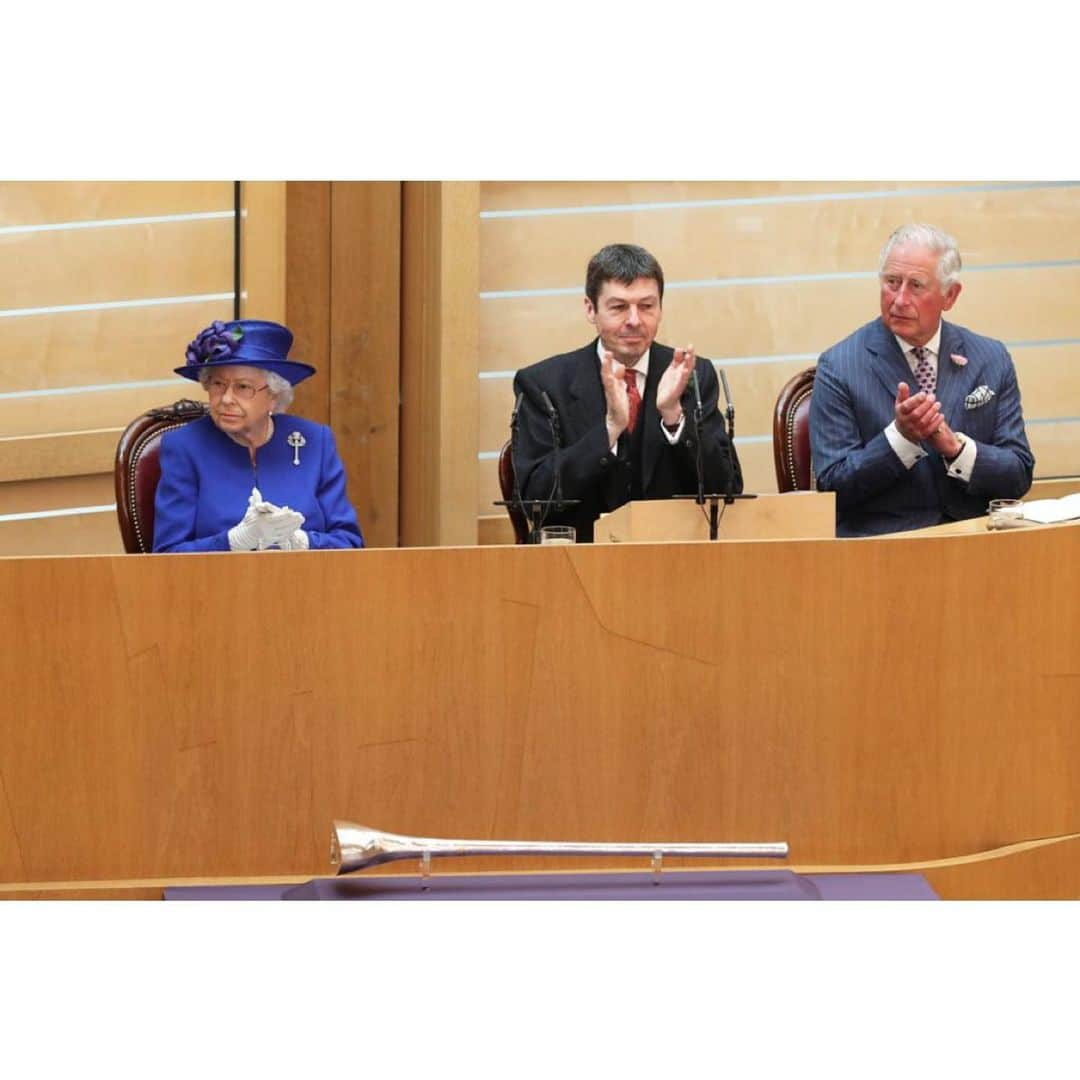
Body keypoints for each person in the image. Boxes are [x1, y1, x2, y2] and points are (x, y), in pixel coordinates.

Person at [810, 224, 1035, 537]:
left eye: (916, 286)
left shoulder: (990, 358)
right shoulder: (839, 365)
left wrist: (955, 449)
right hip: (886, 549)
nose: (899, 299)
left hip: (975, 543)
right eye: (891, 282)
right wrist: (901, 438)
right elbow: (833, 488)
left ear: (950, 295)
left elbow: (1018, 474)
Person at [511, 243, 742, 542]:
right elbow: (534, 500)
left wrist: (674, 417)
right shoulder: (543, 384)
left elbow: (726, 491)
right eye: (619, 307)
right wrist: (609, 430)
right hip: (579, 560)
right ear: (590, 309)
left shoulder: (692, 375)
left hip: (674, 558)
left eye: (647, 306)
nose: (634, 320)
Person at [153, 318, 364, 552]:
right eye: (217, 384)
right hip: (216, 586)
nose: (226, 399)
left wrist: (302, 542)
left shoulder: (315, 441)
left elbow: (350, 544)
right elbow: (167, 554)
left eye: (243, 387)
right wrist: (232, 542)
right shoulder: (184, 447)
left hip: (306, 584)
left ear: (274, 395)